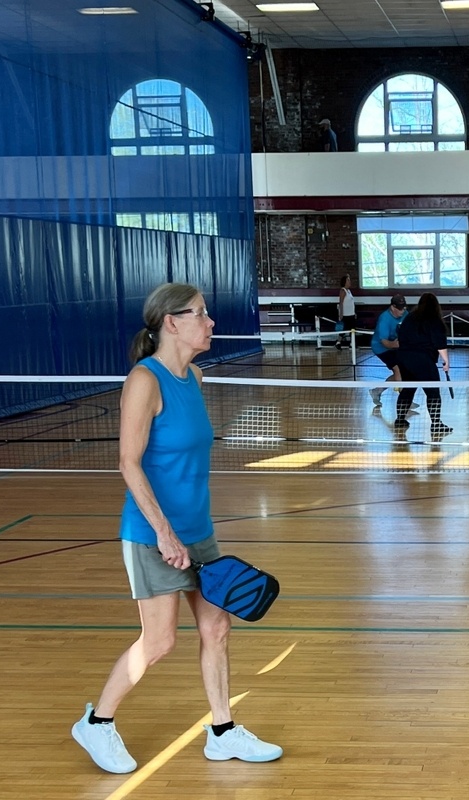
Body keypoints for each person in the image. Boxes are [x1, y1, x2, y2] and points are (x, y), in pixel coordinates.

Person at [71, 283, 282, 774]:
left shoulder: (196, 377)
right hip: (151, 534)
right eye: (202, 314)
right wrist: (164, 532)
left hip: (199, 531)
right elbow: (128, 463)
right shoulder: (145, 381)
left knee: (217, 626)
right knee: (160, 640)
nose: (211, 322)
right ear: (172, 321)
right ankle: (97, 723)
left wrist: (190, 530)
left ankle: (224, 732)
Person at [395, 292, 453, 437]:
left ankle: (400, 420)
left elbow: (401, 338)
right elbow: (440, 344)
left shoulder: (409, 318)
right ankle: (436, 424)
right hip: (423, 360)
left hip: (405, 359)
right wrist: (446, 362)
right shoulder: (435, 320)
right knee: (433, 393)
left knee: (407, 390)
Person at [370, 293, 413, 409]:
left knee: (404, 371)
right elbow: (385, 343)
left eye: (404, 308)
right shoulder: (384, 319)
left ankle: (377, 391)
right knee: (398, 369)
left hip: (397, 345)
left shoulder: (405, 314)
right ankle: (405, 401)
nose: (402, 311)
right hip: (381, 347)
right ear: (392, 307)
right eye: (399, 309)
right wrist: (400, 344)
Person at [336, 274, 356, 350]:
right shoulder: (342, 291)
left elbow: (351, 303)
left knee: (352, 329)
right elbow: (341, 303)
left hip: (351, 314)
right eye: (348, 280)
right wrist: (340, 314)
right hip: (346, 314)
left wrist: (354, 312)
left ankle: (351, 343)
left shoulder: (349, 291)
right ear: (344, 282)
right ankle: (338, 342)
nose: (349, 282)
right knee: (344, 329)